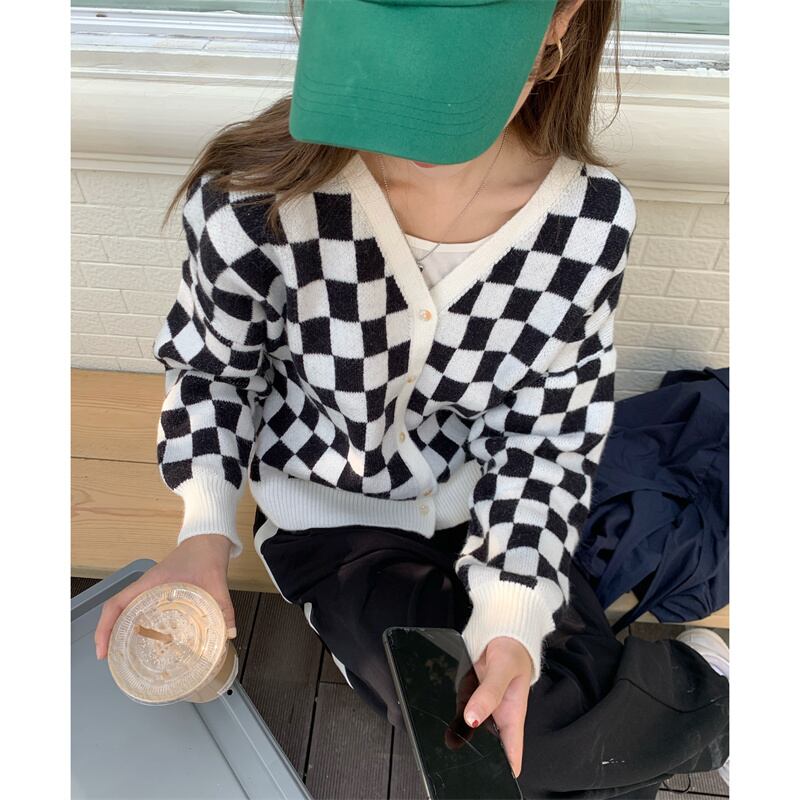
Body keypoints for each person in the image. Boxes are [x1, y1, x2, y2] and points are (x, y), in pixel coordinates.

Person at [94, 1, 729, 797]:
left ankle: (692, 692)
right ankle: (709, 697)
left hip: (486, 501)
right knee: (488, 741)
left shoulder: (586, 222)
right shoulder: (253, 199)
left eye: (450, 80)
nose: (409, 123)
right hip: (332, 532)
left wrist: (510, 616)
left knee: (527, 724)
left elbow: (544, 439)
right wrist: (203, 531)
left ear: (559, 20)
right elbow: (211, 374)